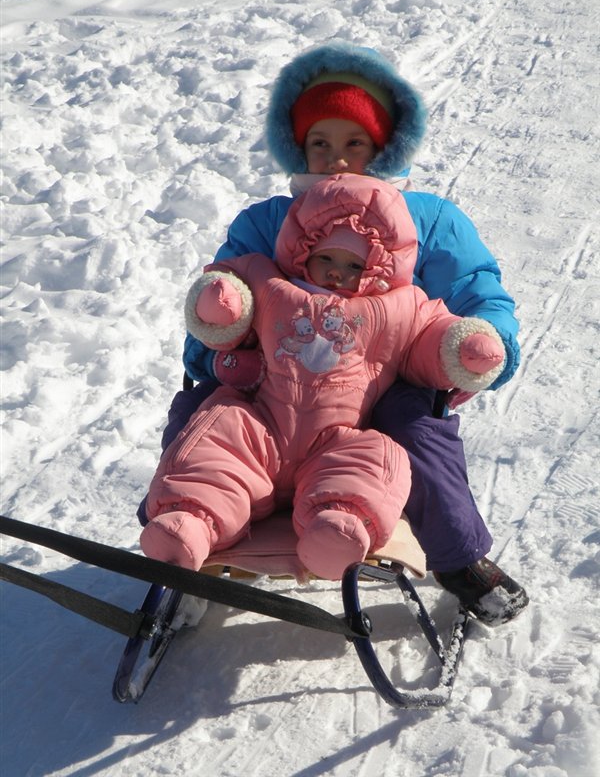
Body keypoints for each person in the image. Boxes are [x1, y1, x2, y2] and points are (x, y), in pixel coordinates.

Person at [139, 41, 528, 625]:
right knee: (199, 412)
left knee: (417, 428)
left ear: (382, 148)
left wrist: (477, 351)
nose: (337, 160)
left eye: (355, 144)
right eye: (320, 144)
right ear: (299, 149)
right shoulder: (265, 222)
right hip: (274, 379)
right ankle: (189, 533)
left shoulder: (430, 220)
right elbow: (219, 296)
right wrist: (215, 351)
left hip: (382, 385)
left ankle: (458, 559)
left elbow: (479, 292)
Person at [141, 174, 508, 604]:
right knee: (217, 434)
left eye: (354, 266)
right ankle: (190, 524)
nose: (337, 271)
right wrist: (223, 308)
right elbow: (231, 288)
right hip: (261, 422)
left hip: (340, 434)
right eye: (327, 258)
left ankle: (337, 529)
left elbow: (432, 332)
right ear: (303, 250)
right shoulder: (274, 282)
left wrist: (464, 348)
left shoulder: (398, 305)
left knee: (376, 457)